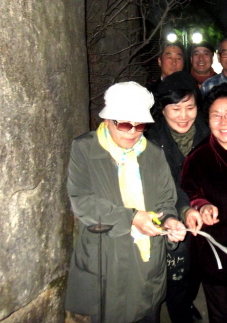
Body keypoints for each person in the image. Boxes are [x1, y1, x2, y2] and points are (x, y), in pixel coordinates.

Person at [64, 81, 186, 323]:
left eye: (139, 124)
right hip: (105, 262)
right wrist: (131, 217)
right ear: (107, 120)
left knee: (146, 313)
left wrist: (170, 221)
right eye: (123, 124)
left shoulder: (154, 154)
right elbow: (82, 200)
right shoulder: (84, 149)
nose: (132, 132)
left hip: (146, 264)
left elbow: (165, 200)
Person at [181, 82, 227, 323]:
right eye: (216, 115)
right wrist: (201, 205)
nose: (223, 122)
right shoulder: (198, 156)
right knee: (221, 314)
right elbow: (188, 191)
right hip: (215, 249)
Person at [144, 71, 207, 323]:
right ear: (163, 108)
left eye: (190, 107)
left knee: (196, 268)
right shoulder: (151, 138)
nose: (184, 116)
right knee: (175, 271)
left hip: (201, 209)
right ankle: (180, 310)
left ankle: (187, 301)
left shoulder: (207, 131)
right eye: (175, 108)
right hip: (167, 211)